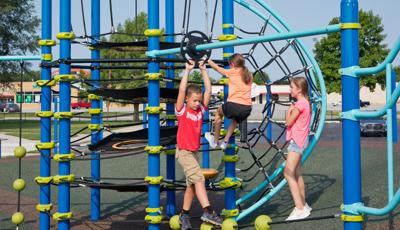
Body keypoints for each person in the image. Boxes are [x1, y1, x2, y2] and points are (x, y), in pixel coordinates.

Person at [175, 60, 223, 229]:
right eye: (194, 100)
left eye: (199, 100)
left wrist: (203, 69)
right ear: (187, 99)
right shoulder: (182, 110)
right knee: (200, 179)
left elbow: (208, 89)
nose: (197, 103)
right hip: (183, 152)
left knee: (192, 186)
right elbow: (182, 90)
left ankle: (184, 215)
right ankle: (208, 211)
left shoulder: (201, 110)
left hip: (193, 153)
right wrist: (187, 70)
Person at [204, 54, 253, 150]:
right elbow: (240, 83)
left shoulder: (232, 71)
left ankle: (215, 141)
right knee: (235, 120)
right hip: (247, 108)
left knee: (218, 113)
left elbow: (217, 68)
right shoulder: (249, 74)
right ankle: (225, 142)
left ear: (233, 64)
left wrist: (207, 60)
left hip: (234, 105)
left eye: (230, 64)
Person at [284, 76, 312, 221]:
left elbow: (288, 122)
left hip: (297, 142)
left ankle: (299, 208)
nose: (290, 89)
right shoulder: (305, 103)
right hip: (301, 140)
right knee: (296, 173)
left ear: (299, 89)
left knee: (288, 173)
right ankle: (304, 205)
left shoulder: (300, 104)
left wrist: (288, 111)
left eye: (292, 87)